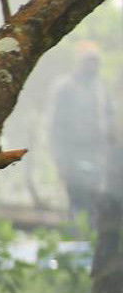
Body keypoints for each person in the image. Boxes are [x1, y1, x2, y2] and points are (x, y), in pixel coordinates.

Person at [50, 46, 112, 222]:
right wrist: (60, 158)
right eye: (89, 62)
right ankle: (76, 231)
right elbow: (55, 125)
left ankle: (90, 232)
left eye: (96, 63)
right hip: (72, 151)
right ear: (80, 63)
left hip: (96, 152)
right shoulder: (65, 87)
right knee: (76, 196)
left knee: (95, 197)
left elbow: (108, 118)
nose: (93, 67)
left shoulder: (100, 88)